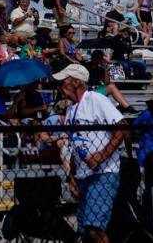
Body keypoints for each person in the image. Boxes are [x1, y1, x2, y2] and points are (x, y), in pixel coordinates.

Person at [54, 63, 125, 243]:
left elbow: (123, 128)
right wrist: (71, 176)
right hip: (83, 176)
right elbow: (75, 145)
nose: (59, 87)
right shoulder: (70, 110)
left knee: (94, 228)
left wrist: (101, 155)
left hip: (104, 173)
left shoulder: (96, 100)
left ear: (77, 82)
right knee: (85, 231)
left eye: (63, 82)